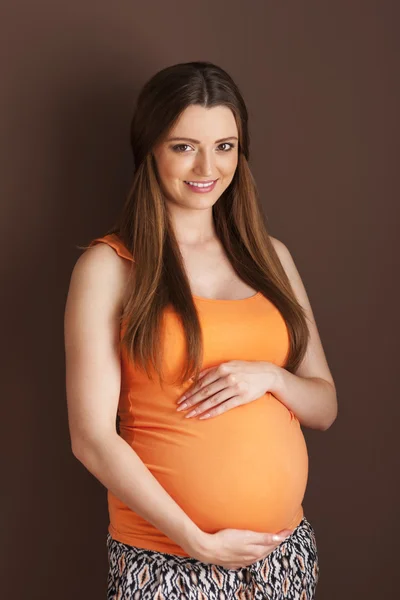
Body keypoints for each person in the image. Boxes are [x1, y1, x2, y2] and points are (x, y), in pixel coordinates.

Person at [64, 61, 337, 599]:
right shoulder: (111, 267)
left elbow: (324, 407)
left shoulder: (272, 258)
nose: (208, 166)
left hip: (283, 556)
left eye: (226, 146)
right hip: (168, 559)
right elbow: (91, 438)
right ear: (150, 149)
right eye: (184, 146)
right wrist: (196, 541)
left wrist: (271, 378)